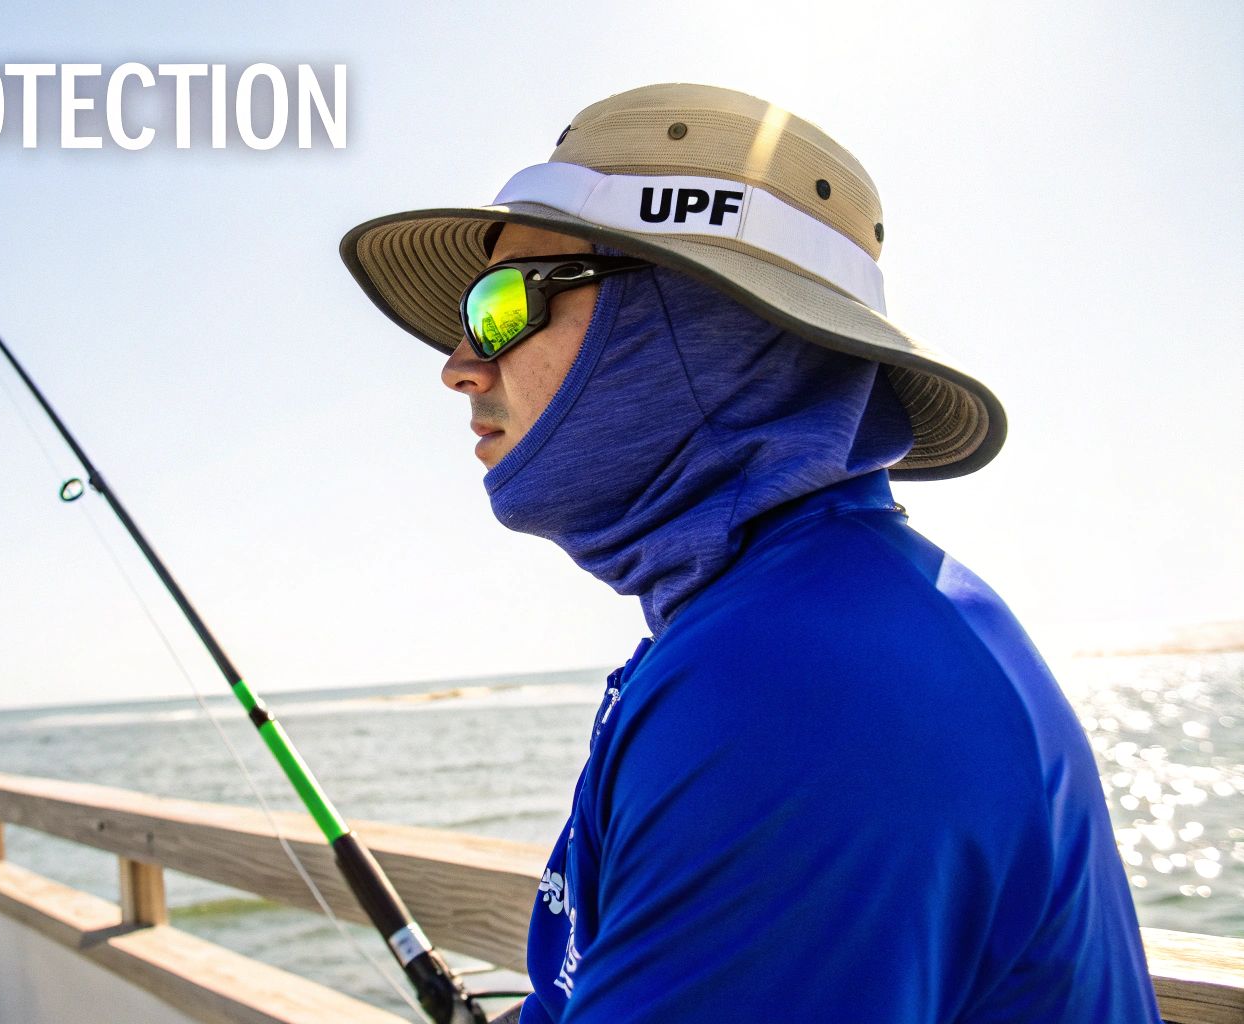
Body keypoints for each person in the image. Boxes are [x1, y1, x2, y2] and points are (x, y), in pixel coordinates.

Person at [340, 84, 1158, 1022]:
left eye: (501, 305)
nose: (458, 363)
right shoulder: (805, 616)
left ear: (701, 321)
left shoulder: (799, 683)